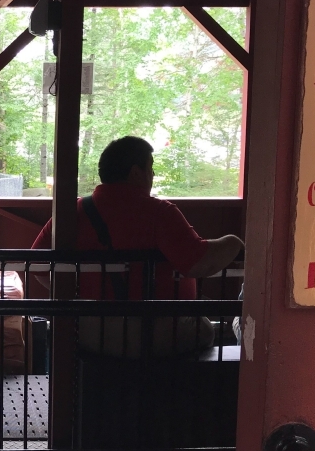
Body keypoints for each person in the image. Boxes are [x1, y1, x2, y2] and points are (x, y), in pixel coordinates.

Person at [31, 136, 243, 356]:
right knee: (206, 328)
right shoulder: (159, 212)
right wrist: (234, 243)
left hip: (90, 330)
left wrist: (75, 294)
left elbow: (36, 264)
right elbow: (199, 264)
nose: (152, 175)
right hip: (157, 331)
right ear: (135, 172)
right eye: (150, 169)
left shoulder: (73, 212)